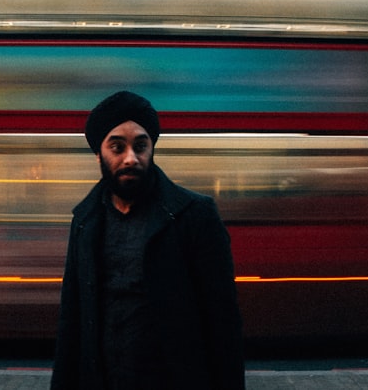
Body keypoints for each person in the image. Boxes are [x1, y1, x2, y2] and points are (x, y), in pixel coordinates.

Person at [51, 91, 245, 390]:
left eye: (140, 146)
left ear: (151, 149)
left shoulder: (194, 216)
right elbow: (71, 322)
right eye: (117, 146)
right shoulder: (85, 221)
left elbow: (223, 327)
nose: (131, 158)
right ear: (99, 153)